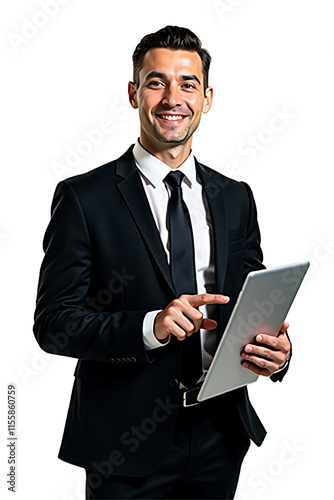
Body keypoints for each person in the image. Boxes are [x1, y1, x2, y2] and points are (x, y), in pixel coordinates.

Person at [33, 25, 291, 499]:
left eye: (188, 84)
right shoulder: (83, 198)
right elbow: (53, 325)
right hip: (124, 445)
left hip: (220, 433)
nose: (173, 97)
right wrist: (151, 325)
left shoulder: (235, 197)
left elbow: (250, 305)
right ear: (134, 94)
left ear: (207, 97)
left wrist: (277, 353)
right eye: (157, 82)